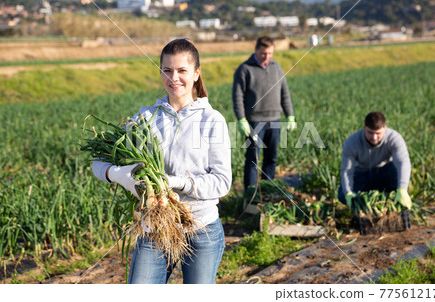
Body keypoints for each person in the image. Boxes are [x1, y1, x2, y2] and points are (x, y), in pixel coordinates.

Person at [91, 39, 232, 284]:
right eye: (167, 70)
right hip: (155, 227)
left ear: (197, 74)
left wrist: (174, 182)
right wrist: (118, 175)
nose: (173, 77)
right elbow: (97, 163)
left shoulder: (212, 120)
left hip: (202, 228)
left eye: (182, 70)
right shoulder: (145, 118)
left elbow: (222, 183)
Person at [232, 36, 296, 191]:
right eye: (263, 54)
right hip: (254, 122)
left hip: (275, 120)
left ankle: (267, 191)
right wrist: (241, 119)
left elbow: (284, 93)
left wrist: (290, 116)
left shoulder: (276, 67)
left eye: (270, 53)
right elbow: (237, 97)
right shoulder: (245, 69)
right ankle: (251, 196)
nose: (267, 57)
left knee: (271, 158)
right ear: (256, 50)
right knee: (252, 160)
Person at [338, 111, 412, 210]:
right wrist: (348, 193)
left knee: (394, 170)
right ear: (364, 128)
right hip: (362, 174)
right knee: (342, 194)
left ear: (384, 128)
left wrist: (402, 189)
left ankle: (392, 202)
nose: (374, 137)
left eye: (378, 133)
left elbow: (403, 162)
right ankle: (362, 207)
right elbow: (347, 170)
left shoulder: (394, 138)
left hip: (384, 173)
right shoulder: (352, 142)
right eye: (370, 133)